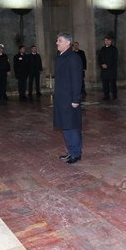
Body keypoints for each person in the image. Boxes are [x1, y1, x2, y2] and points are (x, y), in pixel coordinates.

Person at [54, 33, 83, 164]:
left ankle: (76, 154)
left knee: (72, 127)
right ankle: (70, 152)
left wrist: (76, 99)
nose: (57, 43)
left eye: (59, 41)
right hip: (61, 99)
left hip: (70, 99)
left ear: (68, 43)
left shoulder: (73, 58)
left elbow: (77, 80)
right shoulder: (60, 57)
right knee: (65, 126)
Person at [98, 35, 118, 100]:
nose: (106, 41)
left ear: (110, 41)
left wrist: (107, 65)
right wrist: (102, 64)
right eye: (105, 40)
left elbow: (115, 59)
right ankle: (106, 96)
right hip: (104, 70)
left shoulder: (114, 49)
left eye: (107, 40)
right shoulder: (102, 49)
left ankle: (114, 95)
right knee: (105, 84)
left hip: (111, 69)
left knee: (112, 84)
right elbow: (99, 58)